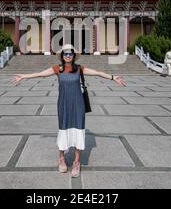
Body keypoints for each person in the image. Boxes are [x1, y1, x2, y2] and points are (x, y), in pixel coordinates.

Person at [13, 44, 126, 178]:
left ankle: (77, 162)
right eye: (65, 54)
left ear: (73, 56)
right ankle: (61, 158)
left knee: (79, 130)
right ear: (62, 56)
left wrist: (113, 78)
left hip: (78, 105)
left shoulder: (79, 69)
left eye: (70, 53)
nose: (67, 56)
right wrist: (24, 76)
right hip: (63, 105)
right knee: (63, 130)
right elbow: (40, 74)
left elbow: (97, 73)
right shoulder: (58, 69)